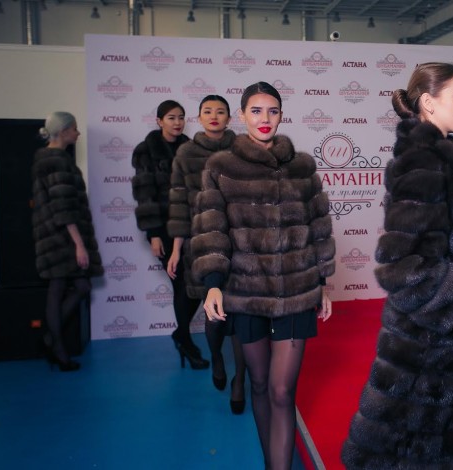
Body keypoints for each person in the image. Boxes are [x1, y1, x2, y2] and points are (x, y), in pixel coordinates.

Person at [341, 63, 453, 468]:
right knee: (413, 448)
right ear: (428, 101)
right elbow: (402, 265)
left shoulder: (448, 158)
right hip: (432, 344)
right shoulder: (422, 162)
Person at [191, 82, 336, 469]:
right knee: (258, 384)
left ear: (282, 115)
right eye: (256, 111)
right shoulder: (220, 168)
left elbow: (319, 227)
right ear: (242, 115)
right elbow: (212, 229)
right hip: (246, 292)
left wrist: (322, 282)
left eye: (273, 110)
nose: (265, 118)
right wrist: (213, 284)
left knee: (282, 391)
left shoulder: (303, 167)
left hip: (297, 292)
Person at [167, 95, 247, 410]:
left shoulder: (242, 148)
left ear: (229, 117)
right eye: (207, 111)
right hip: (201, 242)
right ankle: (216, 356)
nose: (214, 116)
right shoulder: (186, 153)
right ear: (199, 118)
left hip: (240, 242)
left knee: (240, 314)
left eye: (220, 111)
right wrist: (177, 249)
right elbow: (177, 203)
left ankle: (239, 381)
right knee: (215, 314)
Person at [131, 100, 210, 370]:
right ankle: (185, 341)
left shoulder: (190, 148)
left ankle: (180, 335)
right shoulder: (145, 150)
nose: (177, 122)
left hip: (192, 227)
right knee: (181, 284)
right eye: (171, 117)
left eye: (181, 117)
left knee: (195, 285)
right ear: (159, 121)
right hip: (163, 229)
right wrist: (153, 234)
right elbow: (145, 195)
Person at [31, 111, 103, 371]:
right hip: (60, 238)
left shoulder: (50, 158)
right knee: (61, 287)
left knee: (75, 286)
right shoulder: (56, 160)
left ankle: (51, 340)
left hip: (55, 235)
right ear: (63, 131)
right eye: (74, 128)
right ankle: (57, 349)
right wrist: (79, 245)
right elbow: (63, 208)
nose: (78, 133)